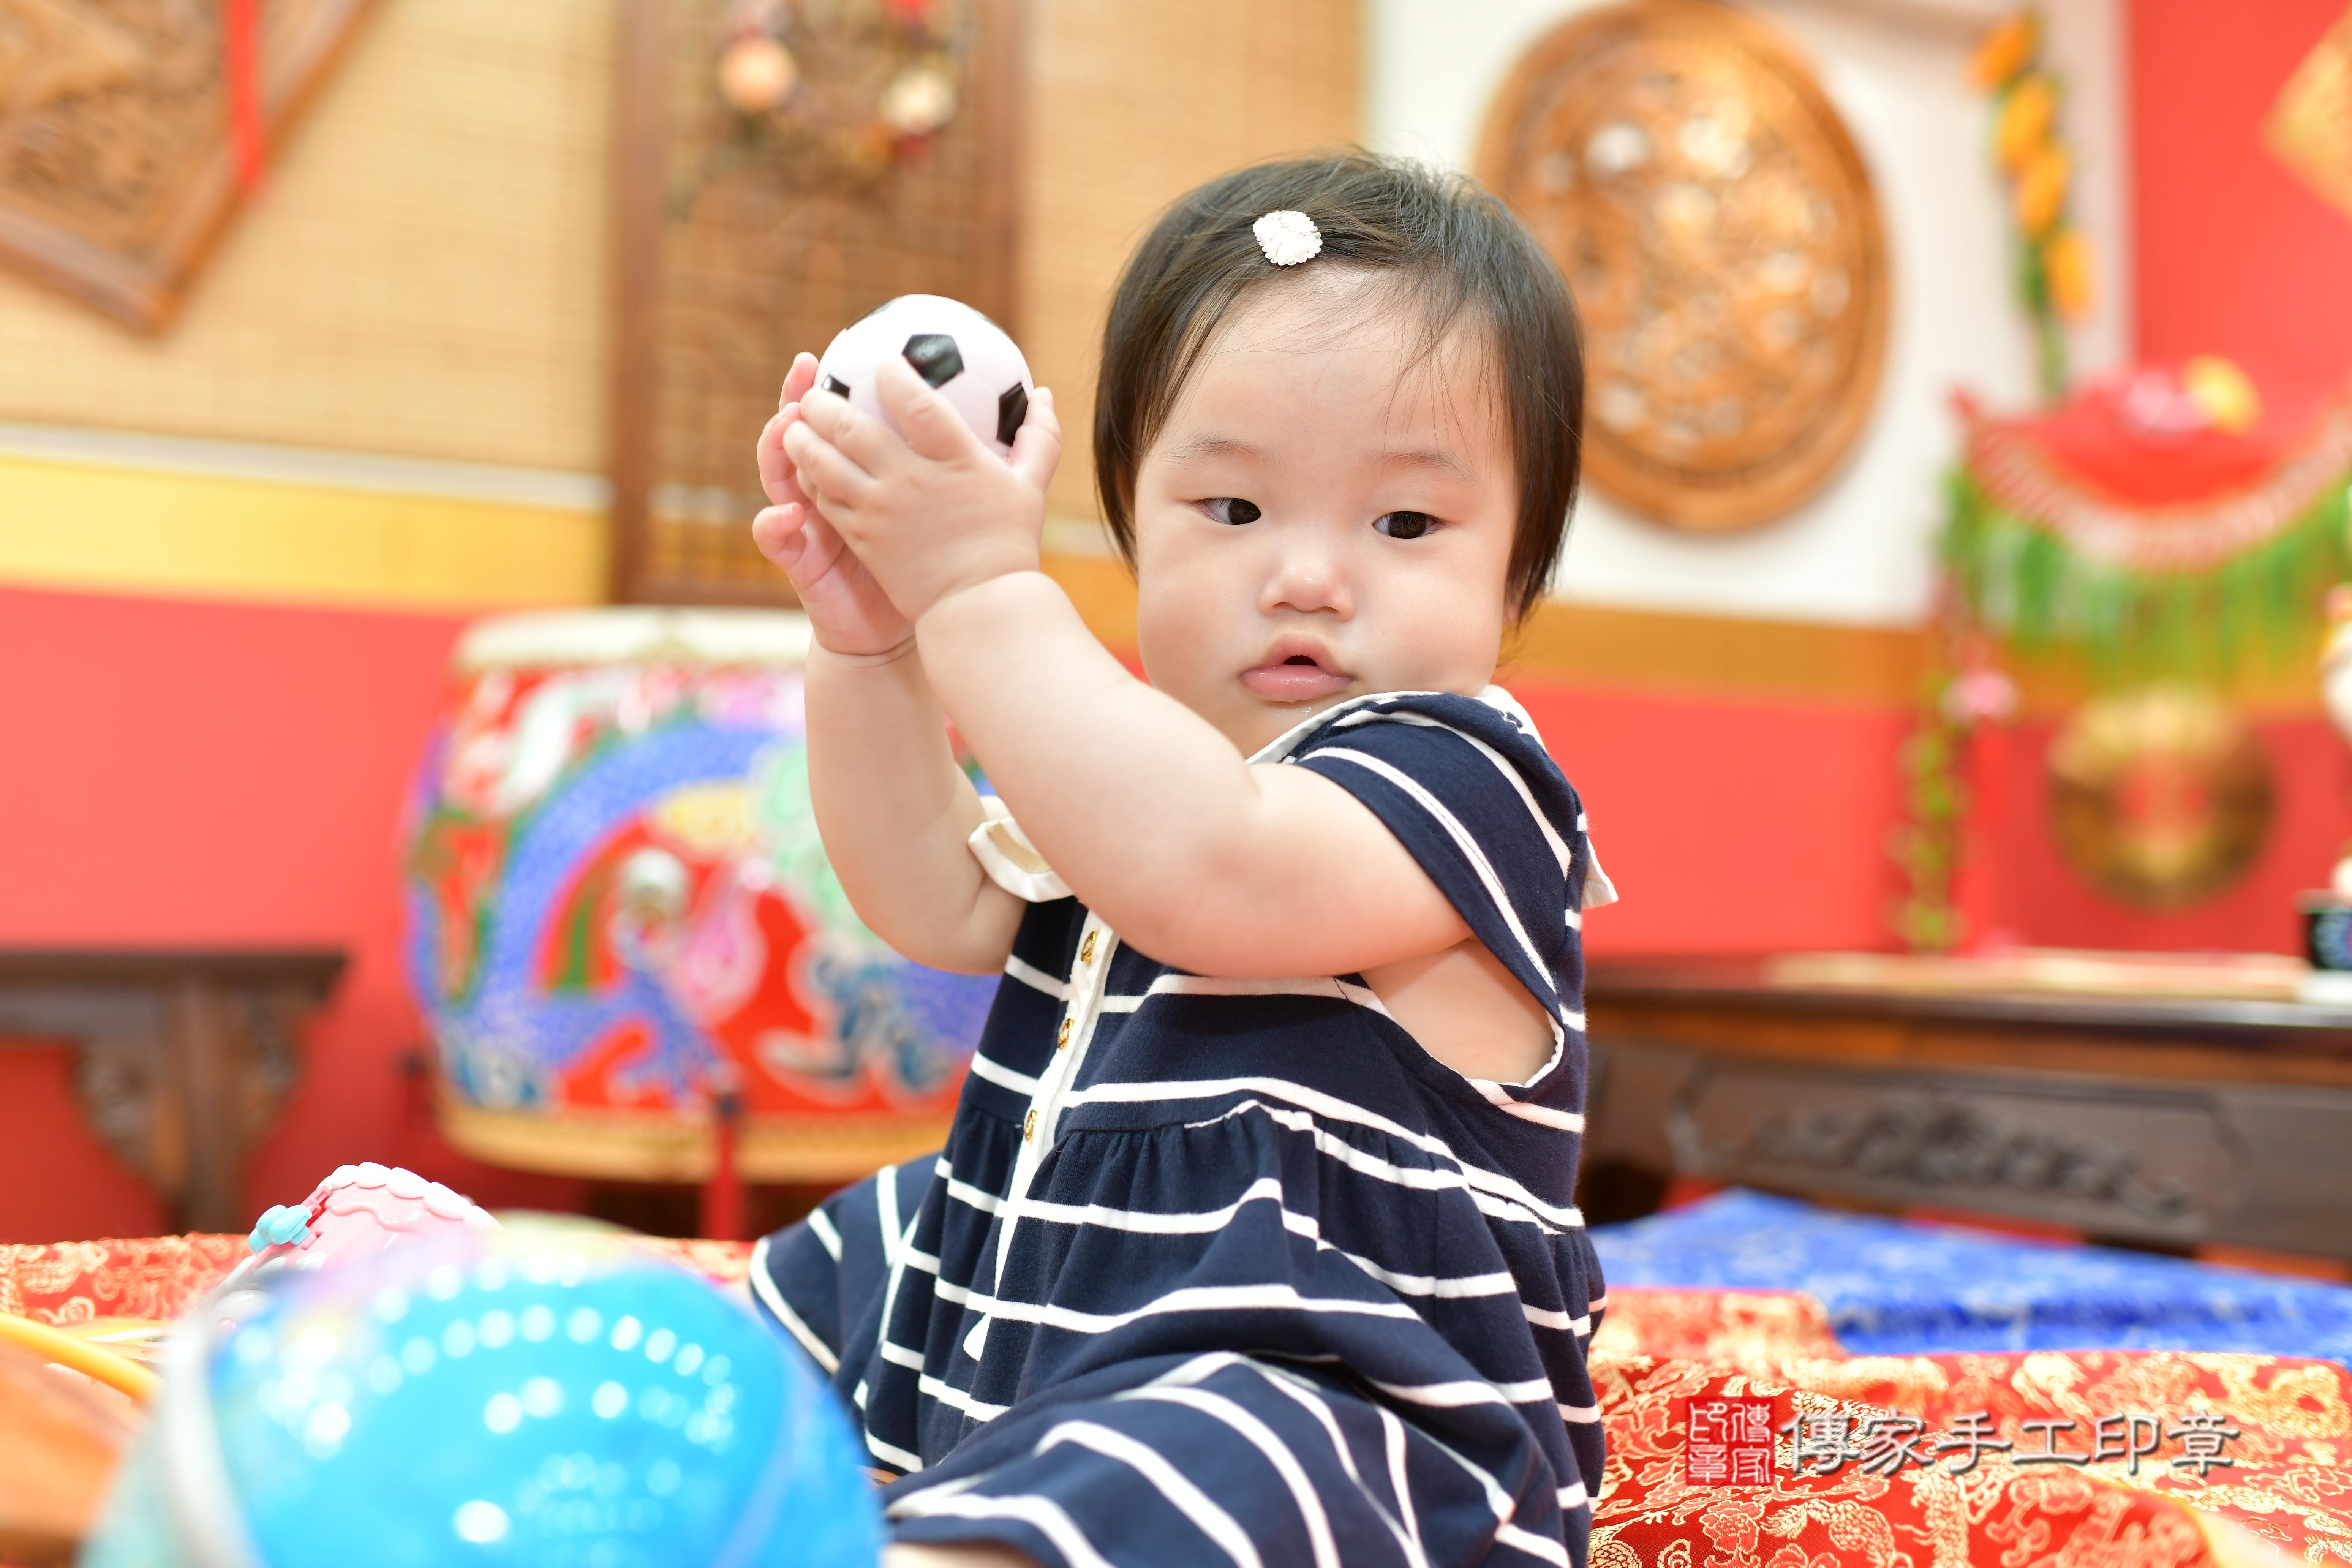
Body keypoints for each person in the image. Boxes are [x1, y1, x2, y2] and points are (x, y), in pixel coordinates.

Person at [746, 152, 1614, 1568]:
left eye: (1405, 524)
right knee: (866, 1245)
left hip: (1359, 1403)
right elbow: (930, 889)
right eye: (1234, 511)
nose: (1310, 577)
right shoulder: (1138, 780)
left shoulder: (1465, 782)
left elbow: (1212, 873)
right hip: (1047, 1345)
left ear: (1516, 575)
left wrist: (973, 586)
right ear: (1133, 530)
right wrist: (875, 639)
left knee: (1228, 1445)